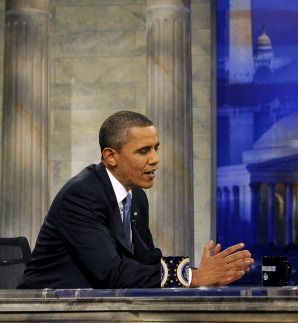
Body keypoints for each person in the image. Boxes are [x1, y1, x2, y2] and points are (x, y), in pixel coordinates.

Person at [18, 111, 253, 289]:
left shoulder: (136, 196)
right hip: (46, 315)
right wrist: (192, 278)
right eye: (144, 151)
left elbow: (147, 260)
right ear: (110, 156)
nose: (155, 159)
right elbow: (113, 272)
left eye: (156, 148)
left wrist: (194, 272)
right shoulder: (81, 196)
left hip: (99, 311)